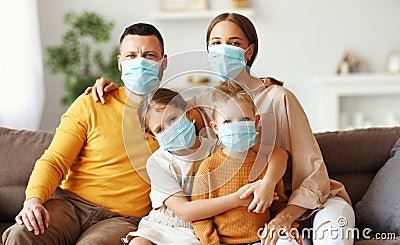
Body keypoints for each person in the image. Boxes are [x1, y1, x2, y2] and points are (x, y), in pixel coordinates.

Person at [88, 12, 355, 245]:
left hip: (298, 204)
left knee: (332, 232)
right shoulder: (203, 105)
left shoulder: (279, 98)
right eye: (216, 43)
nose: (223, 49)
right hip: (246, 214)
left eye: (234, 43)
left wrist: (283, 216)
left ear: (248, 52)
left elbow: (312, 173)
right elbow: (162, 108)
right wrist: (113, 88)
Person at [2, 23, 169, 245]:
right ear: (120, 64)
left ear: (163, 62)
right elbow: (54, 161)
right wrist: (33, 201)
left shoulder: (176, 115)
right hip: (71, 205)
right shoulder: (93, 103)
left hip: (121, 219)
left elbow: (221, 115)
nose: (140, 63)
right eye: (131, 56)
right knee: (21, 234)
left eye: (149, 55)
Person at [122, 87, 260, 245]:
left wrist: (268, 182)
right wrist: (236, 200)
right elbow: (184, 212)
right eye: (160, 129)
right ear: (154, 137)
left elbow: (276, 154)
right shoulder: (158, 163)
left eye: (173, 119)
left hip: (199, 227)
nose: (170, 129)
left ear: (188, 113)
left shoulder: (218, 148)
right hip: (163, 224)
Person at [191, 80, 298, 245]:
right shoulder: (208, 168)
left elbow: (279, 204)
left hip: (262, 240)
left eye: (244, 119)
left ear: (256, 122)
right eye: (227, 122)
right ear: (215, 127)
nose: (237, 126)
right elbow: (199, 218)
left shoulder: (265, 165)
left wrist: (287, 226)